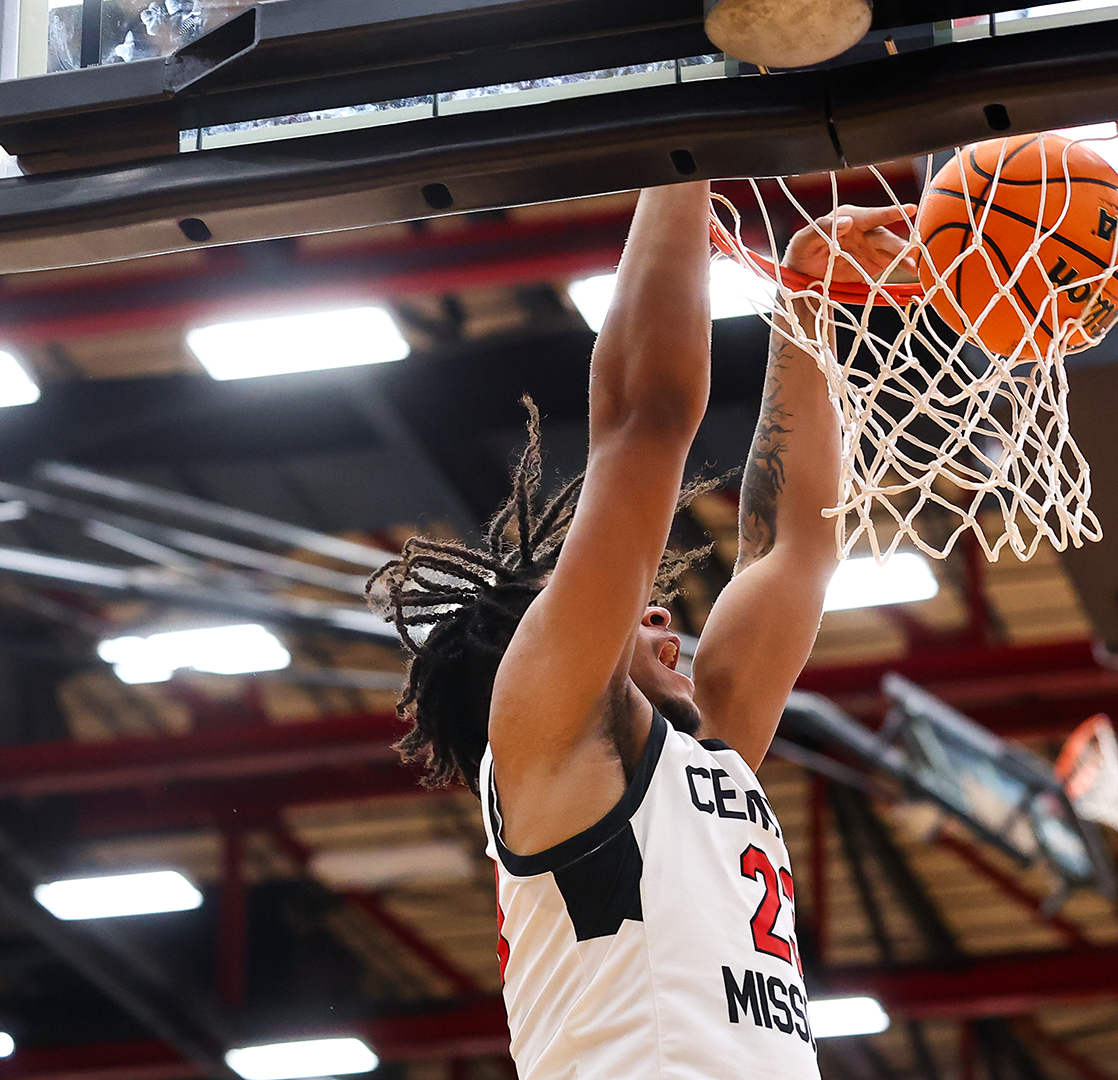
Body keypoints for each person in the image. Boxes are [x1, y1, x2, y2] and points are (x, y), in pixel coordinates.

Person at [369, 181, 910, 1080]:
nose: (653, 607)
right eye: (611, 602)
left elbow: (789, 550)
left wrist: (813, 304)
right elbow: (640, 423)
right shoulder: (546, 735)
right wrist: (681, 156)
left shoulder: (695, 764)